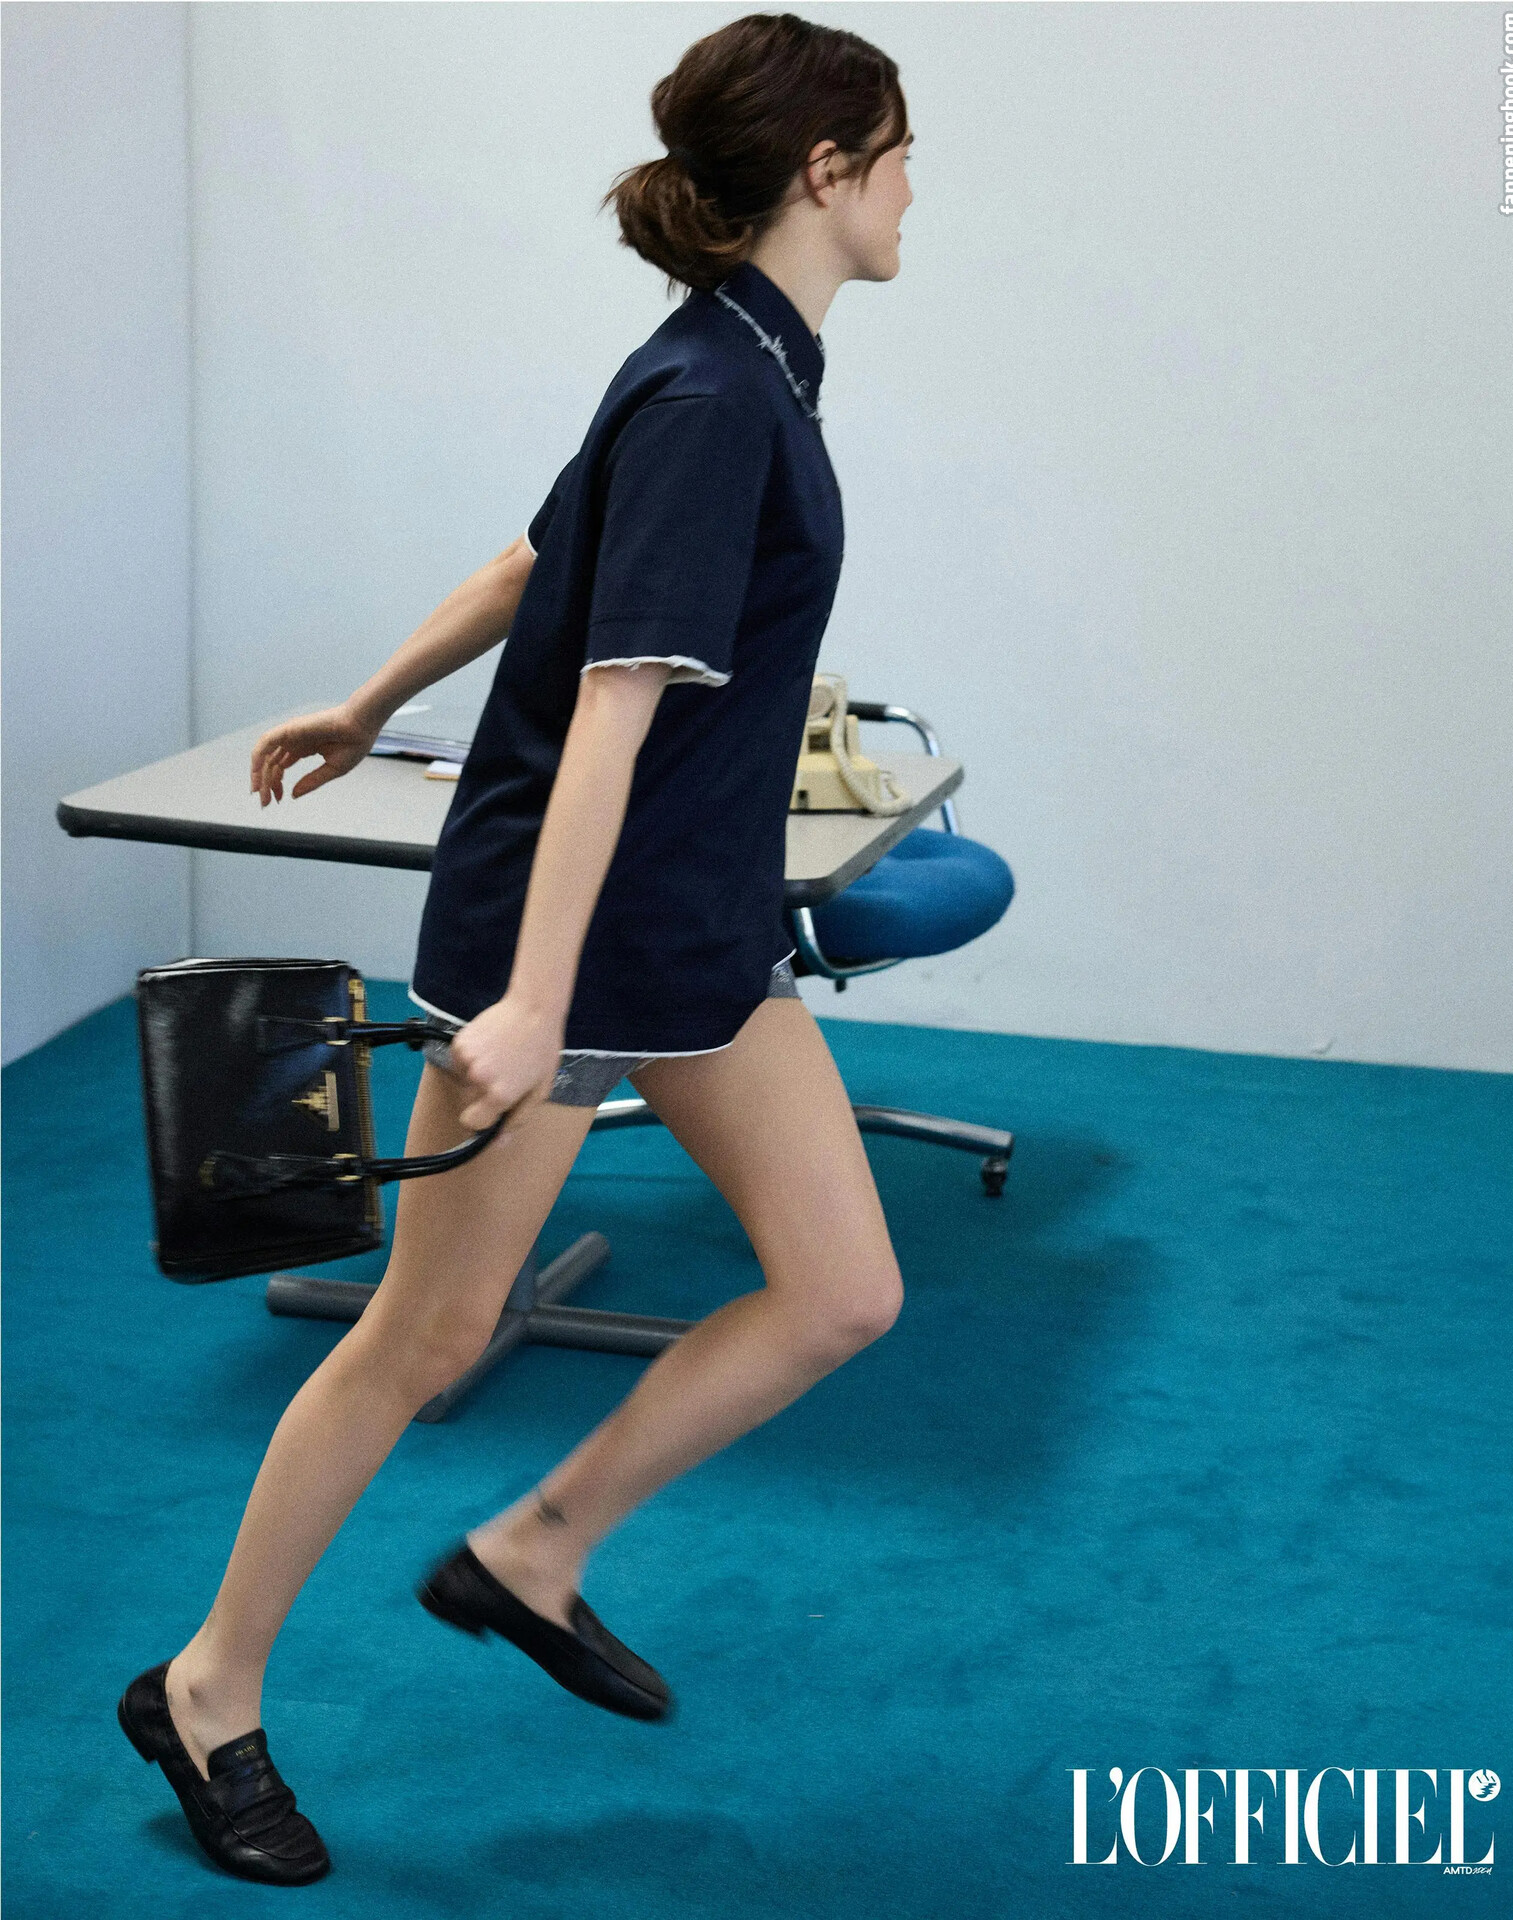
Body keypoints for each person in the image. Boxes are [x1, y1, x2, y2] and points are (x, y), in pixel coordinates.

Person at [117, 11, 915, 1886]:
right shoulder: (716, 395)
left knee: (842, 1292)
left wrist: (364, 695)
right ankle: (205, 1690)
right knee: (428, 1331)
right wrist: (536, 1001)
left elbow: (532, 562)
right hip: (570, 931)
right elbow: (612, 716)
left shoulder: (732, 363)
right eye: (897, 159)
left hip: (689, 929)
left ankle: (536, 1550)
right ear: (824, 172)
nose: (911, 195)